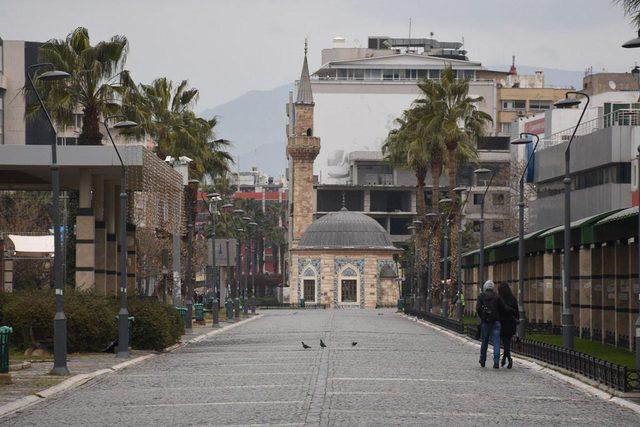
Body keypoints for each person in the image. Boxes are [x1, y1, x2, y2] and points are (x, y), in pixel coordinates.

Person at [476, 279, 511, 369]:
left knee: (484, 342)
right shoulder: (497, 297)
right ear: (493, 288)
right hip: (496, 322)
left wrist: (482, 317)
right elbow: (504, 308)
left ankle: (482, 360)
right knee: (496, 342)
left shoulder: (481, 296)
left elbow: (478, 308)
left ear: (485, 287)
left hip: (485, 322)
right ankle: (496, 362)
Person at [498, 282, 519, 369]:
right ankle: (504, 358)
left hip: (503, 323)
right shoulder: (513, 299)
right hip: (511, 323)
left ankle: (509, 359)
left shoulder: (500, 299)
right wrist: (517, 320)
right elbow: (517, 311)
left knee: (505, 341)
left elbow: (498, 311)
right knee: (507, 341)